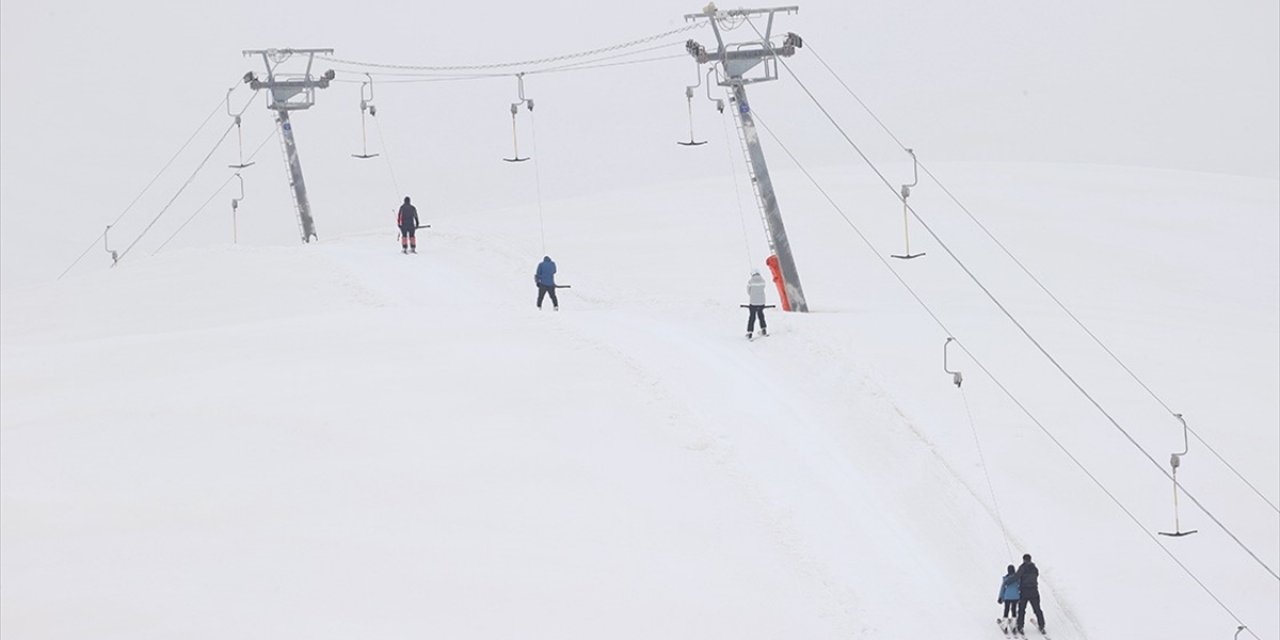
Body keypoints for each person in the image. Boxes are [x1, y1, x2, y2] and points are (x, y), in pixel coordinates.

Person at [1015, 553, 1045, 634]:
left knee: (1021, 610)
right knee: (1037, 609)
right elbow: (1037, 574)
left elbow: (1017, 577)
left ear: (1024, 560)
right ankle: (1042, 625)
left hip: (1024, 592)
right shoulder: (1034, 568)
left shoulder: (1022, 568)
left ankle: (1020, 626)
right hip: (1034, 591)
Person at [746, 268, 768, 339]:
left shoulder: (750, 281)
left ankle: (750, 332)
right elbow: (763, 288)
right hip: (762, 302)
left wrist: (752, 295)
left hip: (753, 302)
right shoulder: (763, 280)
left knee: (752, 317)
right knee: (761, 315)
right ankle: (764, 329)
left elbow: (748, 291)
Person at [998, 564, 1020, 628]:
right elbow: (1020, 587)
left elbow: (1003, 589)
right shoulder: (1017, 579)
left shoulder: (1006, 579)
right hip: (1015, 596)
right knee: (1014, 609)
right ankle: (1014, 624)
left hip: (1007, 597)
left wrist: (1000, 597)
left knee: (1006, 609)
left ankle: (1004, 624)